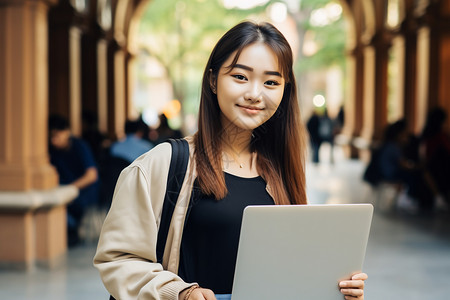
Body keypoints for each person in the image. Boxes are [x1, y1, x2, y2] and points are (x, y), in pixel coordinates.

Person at [94, 21, 367, 300]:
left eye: (271, 82)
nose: (255, 94)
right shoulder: (160, 165)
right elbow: (117, 260)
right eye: (240, 76)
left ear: (285, 92)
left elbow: (288, 268)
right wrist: (180, 293)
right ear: (213, 80)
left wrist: (336, 287)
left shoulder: (280, 169)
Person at [48, 114, 99, 246]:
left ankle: (72, 231)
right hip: (62, 190)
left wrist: (70, 188)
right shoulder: (51, 151)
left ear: (67, 132)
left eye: (56, 135)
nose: (54, 140)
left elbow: (91, 175)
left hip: (83, 192)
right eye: (51, 137)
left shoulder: (79, 146)